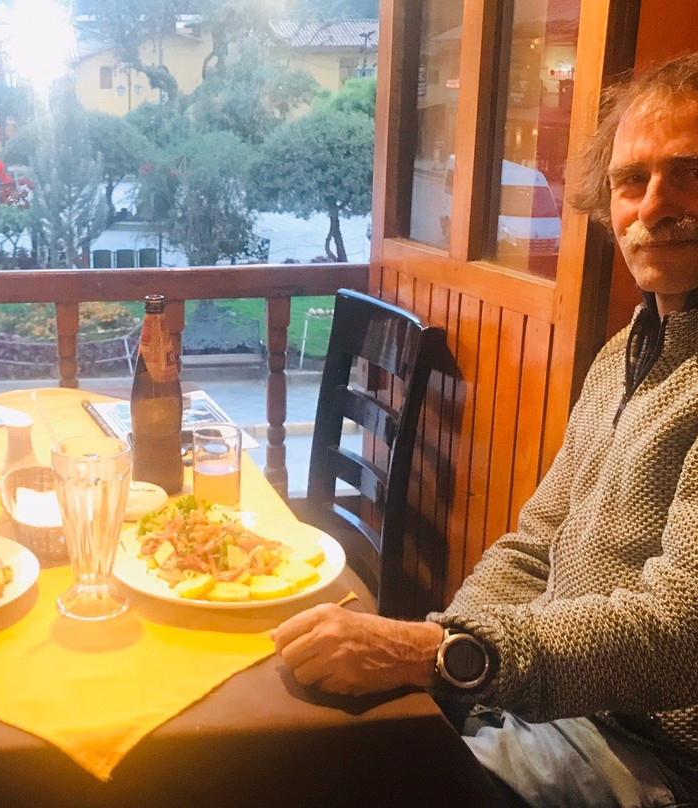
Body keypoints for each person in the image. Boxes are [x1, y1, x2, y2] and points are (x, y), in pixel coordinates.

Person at [274, 52, 698, 808]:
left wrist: (436, 655)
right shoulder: (622, 355)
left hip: (652, 757)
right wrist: (443, 653)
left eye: (689, 173)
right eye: (632, 180)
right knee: (295, 735)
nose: (654, 205)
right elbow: (533, 547)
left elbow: (678, 633)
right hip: (543, 704)